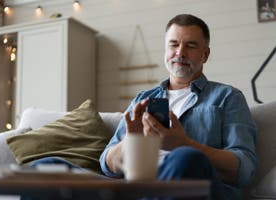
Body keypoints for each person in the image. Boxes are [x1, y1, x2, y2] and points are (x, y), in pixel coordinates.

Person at [99, 14, 257, 200]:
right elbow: (106, 165)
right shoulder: (143, 99)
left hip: (197, 187)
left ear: (205, 54)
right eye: (173, 44)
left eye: (190, 46)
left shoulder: (227, 97)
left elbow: (245, 168)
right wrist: (130, 142)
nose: (180, 53)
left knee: (186, 157)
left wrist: (184, 144)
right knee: (56, 164)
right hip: (139, 188)